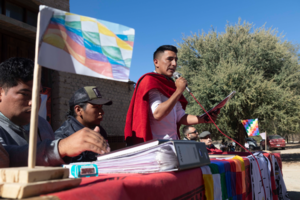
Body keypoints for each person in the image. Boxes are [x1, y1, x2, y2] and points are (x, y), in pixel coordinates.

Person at [0, 57, 109, 167]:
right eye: (25, 94)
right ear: (1, 93)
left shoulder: (43, 125)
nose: (33, 102)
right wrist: (60, 148)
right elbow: (6, 159)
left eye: (38, 95)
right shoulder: (64, 135)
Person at [125, 45, 220, 145]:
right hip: (157, 145)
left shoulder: (171, 85)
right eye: (170, 59)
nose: (174, 64)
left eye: (176, 60)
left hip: (174, 142)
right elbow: (157, 114)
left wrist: (203, 119)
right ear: (156, 62)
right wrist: (178, 91)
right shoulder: (150, 81)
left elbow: (180, 116)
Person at [55, 86, 112, 162]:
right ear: (78, 110)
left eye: (101, 107)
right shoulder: (62, 137)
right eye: (96, 107)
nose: (102, 112)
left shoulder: (100, 130)